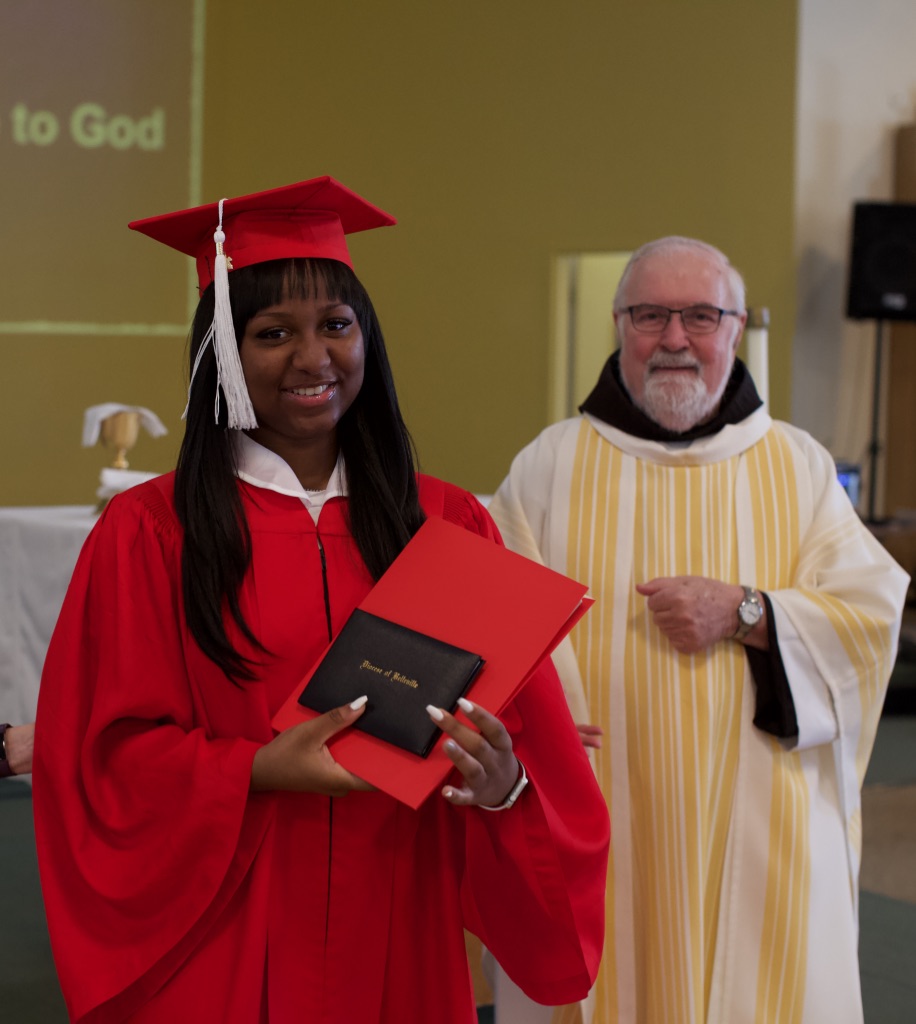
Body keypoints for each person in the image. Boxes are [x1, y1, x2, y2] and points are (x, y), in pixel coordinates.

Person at [32, 177, 609, 1024]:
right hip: (222, 936)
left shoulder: (443, 522)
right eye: (273, 334)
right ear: (221, 354)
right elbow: (98, 760)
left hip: (395, 926)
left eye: (337, 326)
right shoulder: (150, 531)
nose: (314, 359)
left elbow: (527, 748)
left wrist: (501, 784)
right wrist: (259, 767)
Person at [488, 236, 909, 1024]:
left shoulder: (798, 467)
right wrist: (528, 714)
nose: (675, 339)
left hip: (763, 822)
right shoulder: (550, 466)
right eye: (651, 315)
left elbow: (870, 614)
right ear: (618, 324)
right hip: (599, 811)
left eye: (701, 316)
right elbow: (492, 619)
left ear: (738, 326)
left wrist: (748, 611)